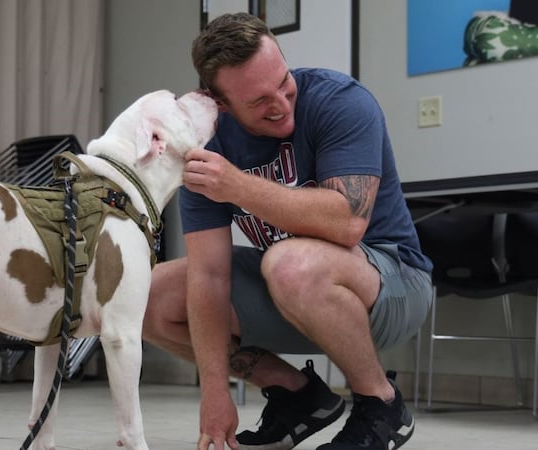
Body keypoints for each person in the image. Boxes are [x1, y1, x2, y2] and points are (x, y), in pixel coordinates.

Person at [142, 12, 433, 450]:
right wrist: (214, 392)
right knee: (149, 297)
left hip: (393, 285)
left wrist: (237, 186)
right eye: (259, 100)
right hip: (294, 290)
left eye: (283, 82)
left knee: (288, 264)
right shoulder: (208, 148)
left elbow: (347, 222)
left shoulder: (341, 101)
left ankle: (381, 404)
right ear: (222, 103)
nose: (280, 102)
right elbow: (209, 276)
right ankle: (297, 396)